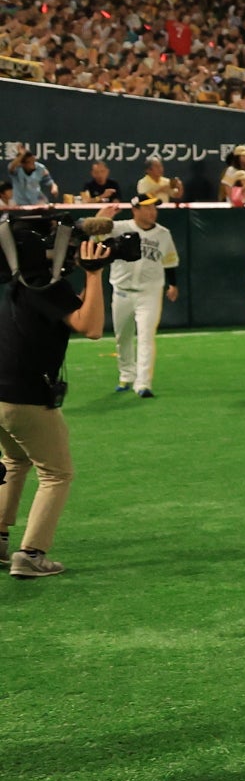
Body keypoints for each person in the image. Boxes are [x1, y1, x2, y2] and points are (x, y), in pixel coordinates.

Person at [0, 225, 112, 578]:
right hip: (25, 396)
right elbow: (92, 327)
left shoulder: (14, 282)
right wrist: (94, 275)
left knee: (15, 459)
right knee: (57, 473)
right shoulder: (44, 284)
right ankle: (31, 554)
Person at [108, 194, 180, 397]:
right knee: (123, 336)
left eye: (154, 208)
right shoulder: (118, 228)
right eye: (147, 208)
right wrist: (102, 217)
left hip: (150, 292)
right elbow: (93, 235)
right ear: (135, 210)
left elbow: (170, 261)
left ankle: (143, 383)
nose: (152, 212)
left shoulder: (163, 234)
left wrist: (173, 284)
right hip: (122, 291)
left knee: (146, 337)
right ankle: (126, 375)